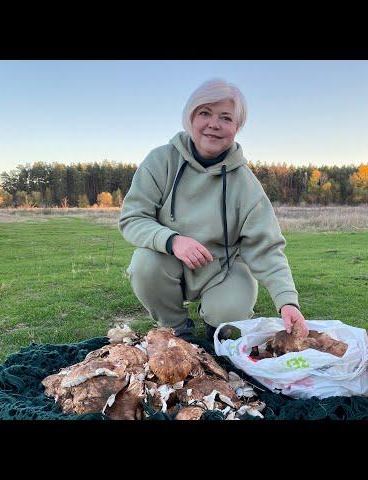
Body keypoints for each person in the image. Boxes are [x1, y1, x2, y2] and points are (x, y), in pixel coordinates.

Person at [119, 78, 307, 342]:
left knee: (229, 313)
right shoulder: (160, 161)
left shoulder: (246, 184)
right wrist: (172, 241)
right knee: (144, 264)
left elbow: (267, 248)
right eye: (205, 113)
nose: (214, 124)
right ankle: (175, 329)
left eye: (226, 118)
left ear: (237, 127)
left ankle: (217, 330)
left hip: (223, 270)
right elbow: (133, 218)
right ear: (190, 118)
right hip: (169, 261)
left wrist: (288, 302)